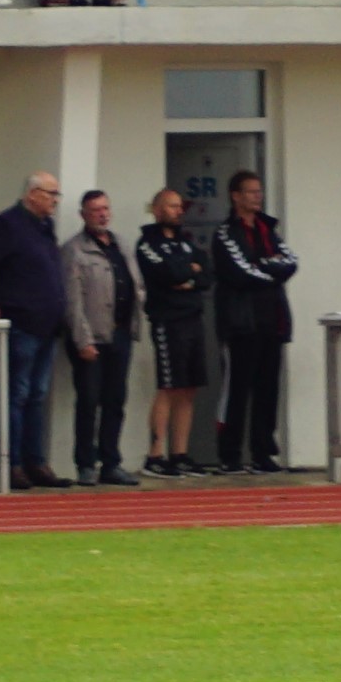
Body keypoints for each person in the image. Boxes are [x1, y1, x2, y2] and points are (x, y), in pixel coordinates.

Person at [0, 165, 76, 490]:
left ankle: (37, 461)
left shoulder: (45, 226)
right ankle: (14, 464)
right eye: (52, 194)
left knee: (38, 396)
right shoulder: (7, 224)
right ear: (33, 194)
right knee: (18, 395)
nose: (55, 200)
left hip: (47, 325)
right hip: (22, 323)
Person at [206, 171, 299, 475]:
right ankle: (229, 454)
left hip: (272, 322)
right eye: (251, 192)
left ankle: (262, 452)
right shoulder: (225, 233)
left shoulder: (268, 229)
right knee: (236, 389)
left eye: (259, 191)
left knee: (268, 389)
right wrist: (270, 273)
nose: (257, 197)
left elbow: (291, 261)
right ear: (235, 195)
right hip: (239, 324)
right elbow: (239, 271)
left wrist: (265, 268)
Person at [131, 185, 214, 477]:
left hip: (193, 318)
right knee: (168, 386)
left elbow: (206, 275)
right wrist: (186, 272)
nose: (178, 211)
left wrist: (188, 275)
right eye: (171, 206)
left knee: (188, 388)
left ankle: (180, 453)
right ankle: (155, 456)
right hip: (168, 321)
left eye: (180, 207)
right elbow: (168, 274)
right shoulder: (147, 244)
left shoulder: (187, 243)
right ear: (156, 210)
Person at [59, 188, 136, 485]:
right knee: (89, 401)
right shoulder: (74, 250)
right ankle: (86, 463)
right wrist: (83, 340)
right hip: (91, 337)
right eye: (95, 210)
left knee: (115, 400)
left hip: (120, 334)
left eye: (105, 208)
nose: (102, 214)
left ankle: (111, 462)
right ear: (83, 215)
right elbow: (72, 300)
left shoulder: (121, 245)